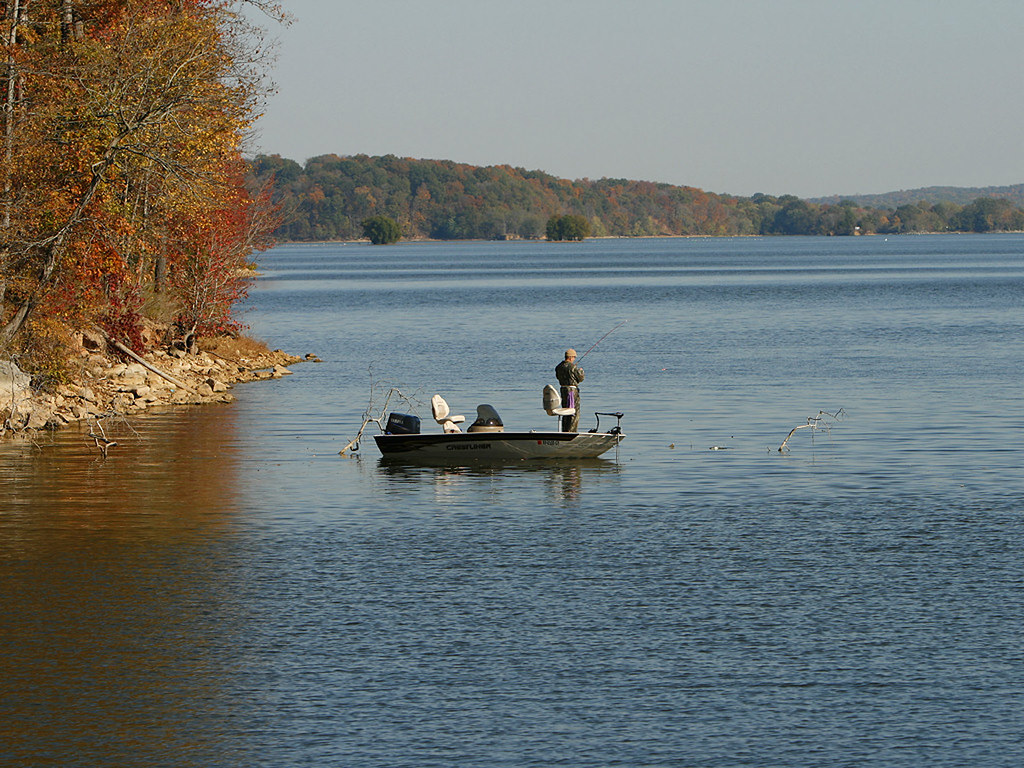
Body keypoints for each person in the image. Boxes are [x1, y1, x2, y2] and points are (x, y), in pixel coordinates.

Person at [555, 348, 585, 432]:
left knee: (565, 411)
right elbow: (580, 378)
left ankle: (565, 430)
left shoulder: (558, 367)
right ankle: (571, 432)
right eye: (574, 357)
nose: (574, 359)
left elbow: (558, 377)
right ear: (571, 357)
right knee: (573, 412)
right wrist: (581, 372)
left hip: (563, 390)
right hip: (572, 391)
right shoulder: (573, 367)